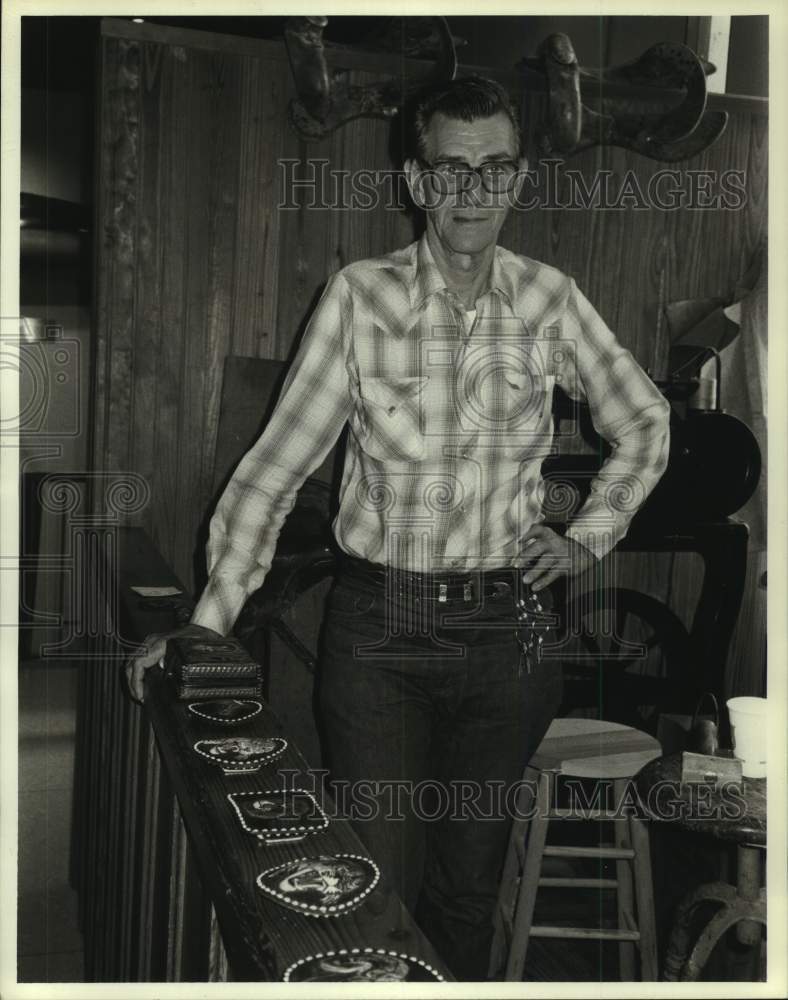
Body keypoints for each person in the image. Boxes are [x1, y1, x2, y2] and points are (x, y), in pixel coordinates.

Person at [126, 76, 670, 980]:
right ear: (417, 182)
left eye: (493, 169)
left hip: (510, 637)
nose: (471, 192)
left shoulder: (550, 301)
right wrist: (207, 625)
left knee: (466, 889)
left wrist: (588, 536)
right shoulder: (359, 298)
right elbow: (274, 465)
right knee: (375, 884)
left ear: (518, 180)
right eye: (450, 170)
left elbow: (645, 422)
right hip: (380, 636)